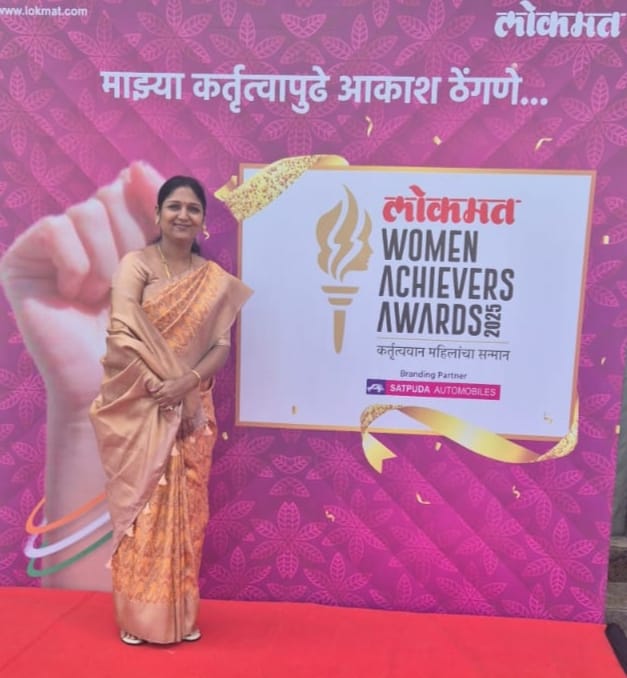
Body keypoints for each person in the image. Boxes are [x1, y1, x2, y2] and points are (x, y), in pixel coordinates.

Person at [89, 175, 252, 645]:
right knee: (143, 508)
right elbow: (122, 333)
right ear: (158, 214)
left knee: (187, 513)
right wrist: (162, 385)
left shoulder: (212, 279)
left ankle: (179, 615)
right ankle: (138, 618)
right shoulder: (137, 265)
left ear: (203, 220)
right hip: (141, 404)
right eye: (174, 206)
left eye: (193, 208)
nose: (183, 215)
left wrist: (186, 384)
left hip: (191, 408)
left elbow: (220, 347)